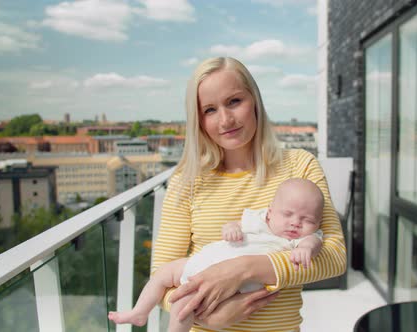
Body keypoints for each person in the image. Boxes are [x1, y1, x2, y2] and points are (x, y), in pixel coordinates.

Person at [150, 57, 346, 331]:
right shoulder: (187, 182)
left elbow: (334, 258)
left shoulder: (300, 165)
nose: (225, 119)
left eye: (234, 101)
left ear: (254, 100)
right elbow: (160, 276)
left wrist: (243, 269)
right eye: (209, 110)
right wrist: (205, 315)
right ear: (199, 120)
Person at [108, 178, 325, 331]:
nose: (296, 222)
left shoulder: (297, 240)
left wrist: (306, 249)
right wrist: (231, 229)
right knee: (164, 273)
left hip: (229, 287)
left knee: (183, 308)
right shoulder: (258, 219)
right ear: (270, 211)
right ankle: (139, 311)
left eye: (307, 220)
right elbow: (233, 225)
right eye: (288, 214)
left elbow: (315, 243)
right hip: (202, 261)